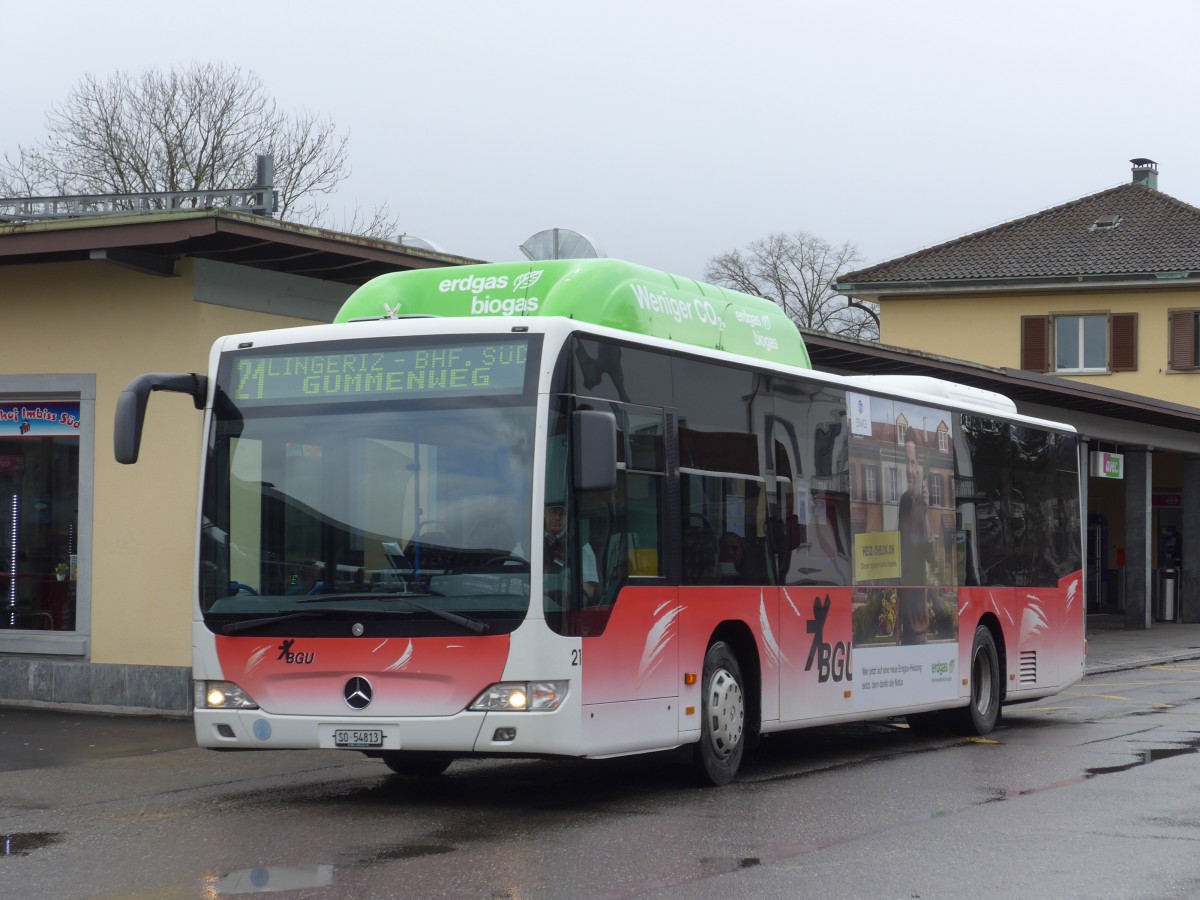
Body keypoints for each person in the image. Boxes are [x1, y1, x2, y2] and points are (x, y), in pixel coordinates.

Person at [897, 432, 935, 644]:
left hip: (919, 626)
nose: (910, 470)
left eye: (913, 463)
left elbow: (930, 556)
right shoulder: (903, 502)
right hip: (905, 625)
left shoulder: (924, 503)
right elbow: (898, 559)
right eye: (906, 463)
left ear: (919, 466)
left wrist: (927, 513)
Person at [543, 503, 599, 600]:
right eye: (553, 512)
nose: (557, 518)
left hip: (562, 608)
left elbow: (589, 591)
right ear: (544, 512)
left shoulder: (581, 545)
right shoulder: (527, 542)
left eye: (562, 513)